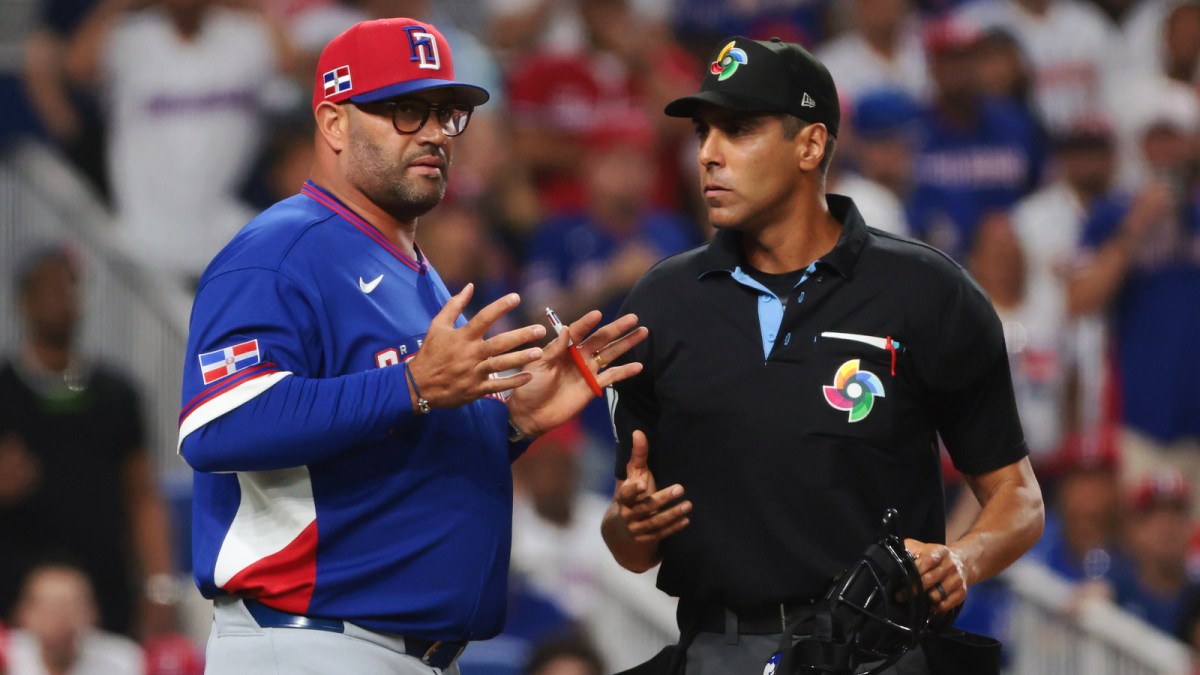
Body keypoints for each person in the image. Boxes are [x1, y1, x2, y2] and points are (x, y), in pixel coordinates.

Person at [179, 18, 647, 675]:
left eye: (446, 114)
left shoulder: (417, 272)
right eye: (405, 111)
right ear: (335, 124)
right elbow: (218, 425)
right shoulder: (281, 251)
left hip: (411, 652)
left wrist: (510, 422)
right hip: (313, 641)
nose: (434, 133)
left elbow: (400, 439)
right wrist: (412, 385)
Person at [601, 35, 1044, 674]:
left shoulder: (926, 292)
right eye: (703, 132)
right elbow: (632, 548)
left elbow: (1018, 495)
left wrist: (962, 557)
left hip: (879, 654)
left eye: (739, 129)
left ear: (810, 145)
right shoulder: (661, 302)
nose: (708, 154)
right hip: (720, 649)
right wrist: (628, 525)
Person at [0, 246, 177, 639]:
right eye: (44, 289)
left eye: (66, 288)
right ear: (22, 301)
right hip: (15, 597)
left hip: (106, 593)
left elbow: (142, 494)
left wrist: (160, 588)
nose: (58, 300)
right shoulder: (4, 391)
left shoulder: (116, 393)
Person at [6, 564, 144, 675]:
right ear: (22, 612)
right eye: (47, 608)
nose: (57, 619)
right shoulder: (5, 655)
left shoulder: (124, 659)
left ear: (92, 612)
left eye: (68, 607)